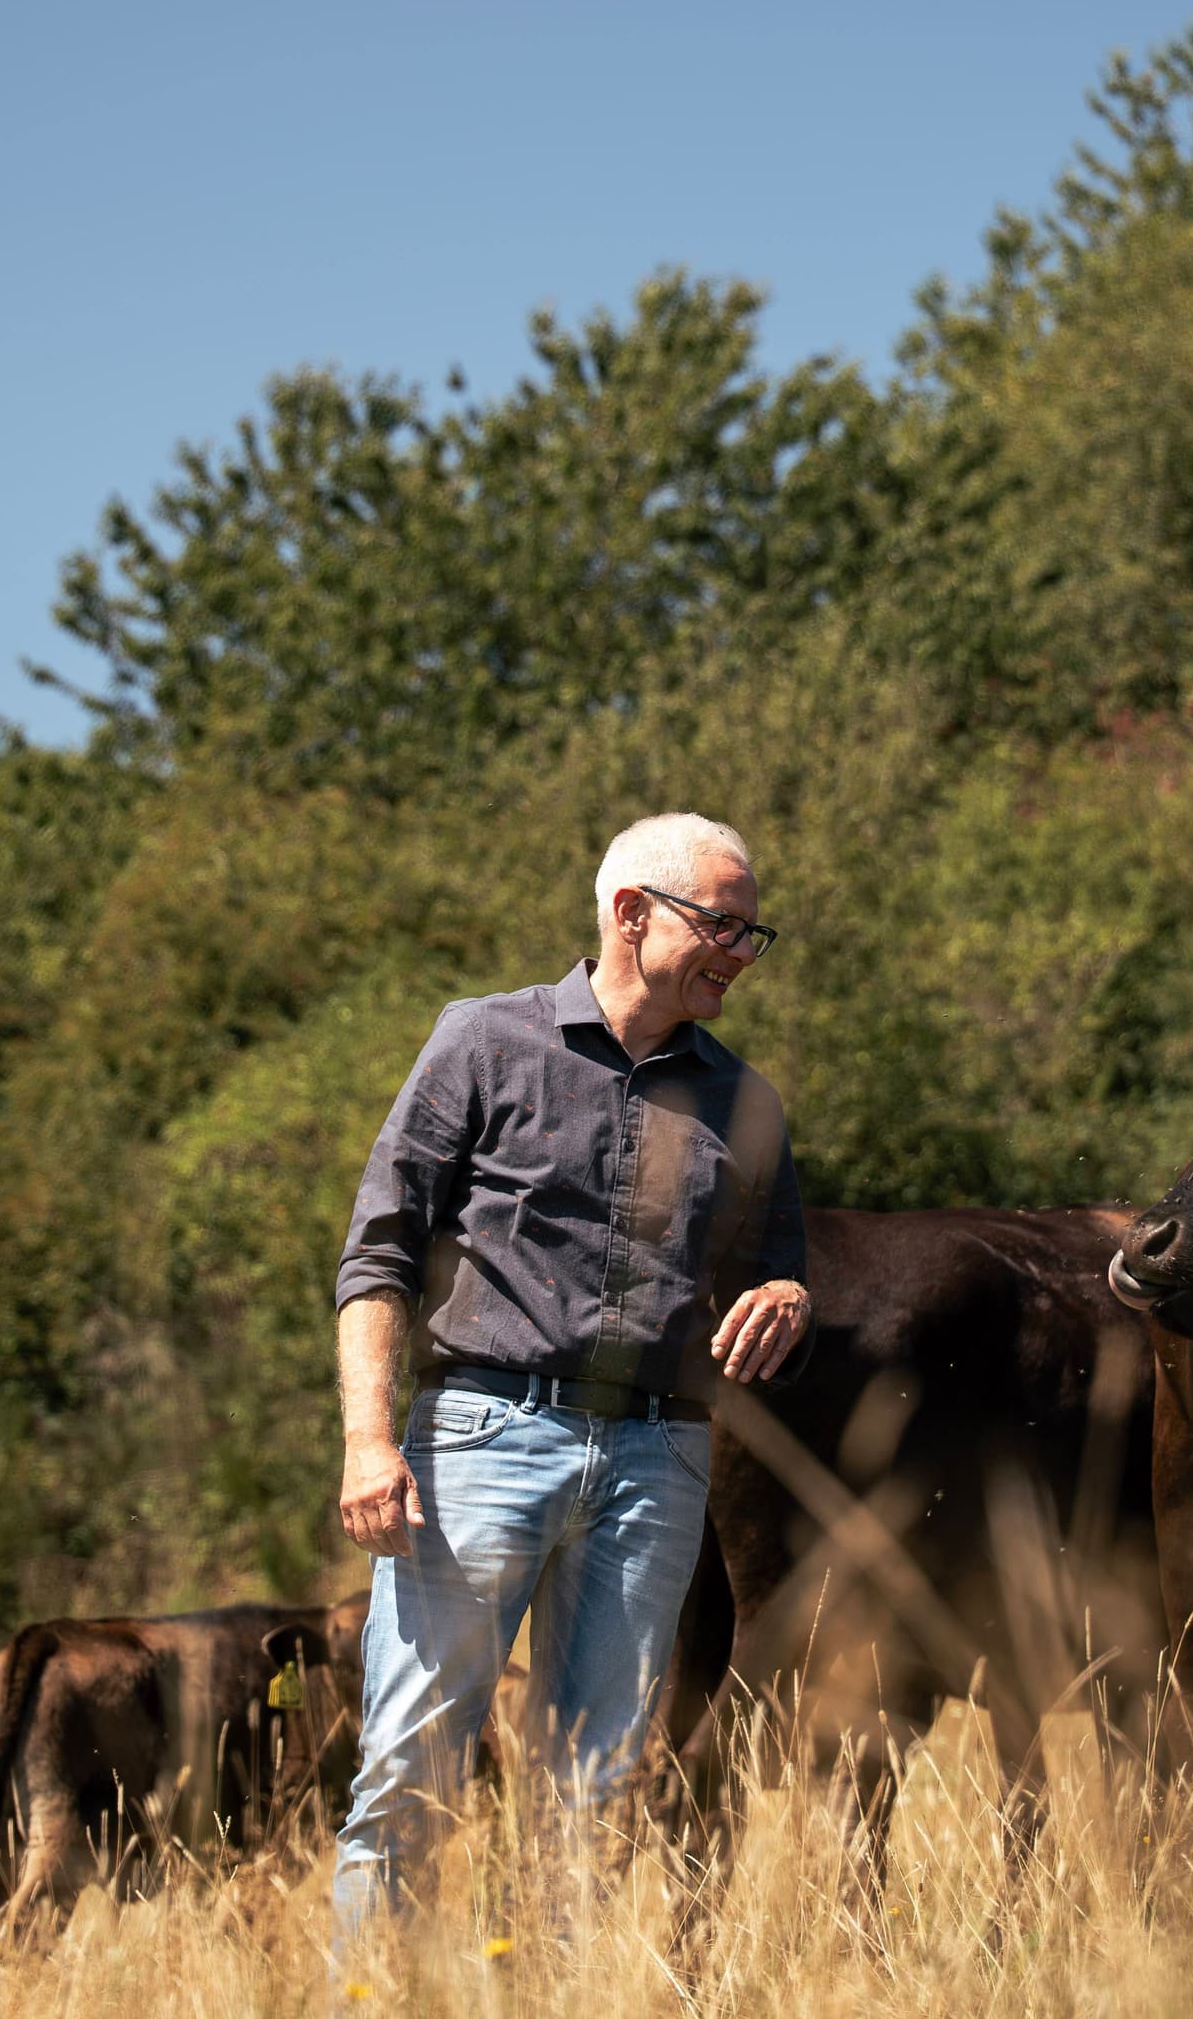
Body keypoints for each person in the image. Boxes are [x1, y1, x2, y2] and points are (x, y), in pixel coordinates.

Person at [325, 812, 810, 1945]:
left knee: (591, 1799)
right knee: (410, 1778)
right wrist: (367, 1439)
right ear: (632, 914)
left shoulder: (747, 1101)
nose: (740, 954)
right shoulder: (483, 1042)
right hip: (480, 1442)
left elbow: (779, 1275)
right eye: (722, 926)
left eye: (753, 932)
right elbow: (378, 1255)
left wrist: (791, 1297)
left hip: (658, 1462)